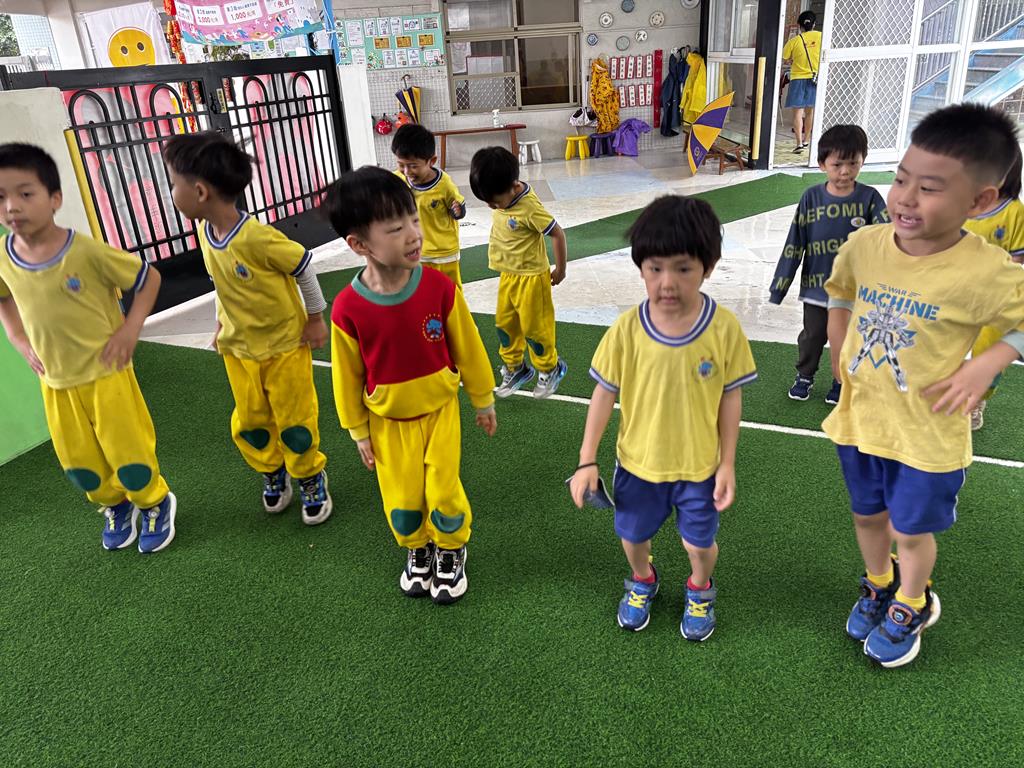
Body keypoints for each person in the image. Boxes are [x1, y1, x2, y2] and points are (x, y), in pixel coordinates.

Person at [825, 103, 1024, 668]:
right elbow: (841, 291)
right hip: (862, 421)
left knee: (910, 530)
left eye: (929, 188)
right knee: (867, 517)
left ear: (979, 201)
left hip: (928, 437)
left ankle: (911, 602)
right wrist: (839, 345)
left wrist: (989, 362)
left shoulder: (986, 270)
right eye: (901, 179)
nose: (906, 199)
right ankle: (878, 582)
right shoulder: (866, 245)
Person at [569, 196, 757, 640]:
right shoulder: (627, 329)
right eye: (655, 268)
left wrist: (727, 463)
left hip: (700, 468)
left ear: (708, 267)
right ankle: (642, 579)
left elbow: (730, 397)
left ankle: (700, 588)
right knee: (632, 536)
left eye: (683, 268)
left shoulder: (724, 328)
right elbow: (603, 393)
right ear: (641, 268)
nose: (667, 282)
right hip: (638, 464)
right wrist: (586, 459)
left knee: (698, 544)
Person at [323, 166, 496, 605]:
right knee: (401, 500)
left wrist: (482, 398)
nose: (414, 234)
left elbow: (469, 347)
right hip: (387, 424)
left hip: (440, 413)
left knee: (443, 490)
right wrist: (357, 430)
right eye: (396, 228)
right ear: (359, 244)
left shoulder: (439, 288)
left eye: (414, 219)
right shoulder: (347, 309)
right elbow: (346, 376)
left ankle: (451, 549)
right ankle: (418, 548)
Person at [0, 143, 177, 552]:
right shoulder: (4, 258)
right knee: (80, 463)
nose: (12, 206)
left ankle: (154, 502)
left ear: (55, 198)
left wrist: (130, 330)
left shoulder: (85, 251)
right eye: (1, 196)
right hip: (55, 382)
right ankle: (114, 505)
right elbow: (5, 298)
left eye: (25, 193)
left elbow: (147, 278)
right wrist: (18, 339)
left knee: (129, 451)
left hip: (106, 373)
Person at [162, 131, 332, 525]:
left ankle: (309, 474)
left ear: (200, 191)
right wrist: (221, 321)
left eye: (173, 183)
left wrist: (315, 318)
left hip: (284, 346)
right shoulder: (205, 233)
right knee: (252, 420)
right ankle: (272, 470)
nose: (171, 193)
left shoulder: (258, 238)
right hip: (239, 350)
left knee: (295, 419)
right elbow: (223, 284)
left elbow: (303, 266)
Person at [769, 124, 888, 404]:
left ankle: (840, 380)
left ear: (863, 161)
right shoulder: (810, 198)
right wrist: (779, 286)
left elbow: (888, 239)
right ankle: (805, 375)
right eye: (837, 165)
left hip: (854, 291)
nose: (845, 171)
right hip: (816, 288)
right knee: (812, 335)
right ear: (822, 164)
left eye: (852, 163)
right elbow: (794, 242)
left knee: (846, 338)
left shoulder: (870, 198)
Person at [469, 146, 568, 399]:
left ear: (514, 187)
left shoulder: (529, 207)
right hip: (508, 274)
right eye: (487, 202)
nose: (491, 206)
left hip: (532, 278)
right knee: (505, 324)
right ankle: (516, 368)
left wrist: (560, 269)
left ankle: (550, 368)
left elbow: (558, 233)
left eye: (494, 202)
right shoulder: (501, 194)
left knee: (536, 328)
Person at [963, 143, 1024, 430]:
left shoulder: (1015, 212)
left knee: (987, 352)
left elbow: (1018, 257)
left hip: (995, 299)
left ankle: (977, 400)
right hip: (956, 293)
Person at [390, 124, 467, 288]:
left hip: (443, 252)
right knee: (420, 292)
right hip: (413, 251)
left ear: (431, 161)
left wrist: (458, 210)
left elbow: (459, 206)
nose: (406, 171)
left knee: (451, 292)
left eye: (413, 166)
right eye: (401, 165)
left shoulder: (444, 184)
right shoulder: (396, 180)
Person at [782, 11, 821, 153]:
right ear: (814, 24)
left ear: (799, 25)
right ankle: (806, 141)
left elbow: (785, 57)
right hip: (814, 79)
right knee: (810, 112)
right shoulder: (822, 37)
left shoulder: (794, 41)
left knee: (798, 113)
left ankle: (798, 143)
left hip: (797, 79)